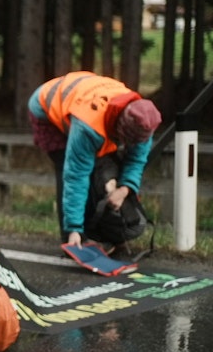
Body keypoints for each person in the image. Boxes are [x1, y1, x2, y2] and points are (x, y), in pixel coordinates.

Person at [28, 71, 162, 252]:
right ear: (119, 129)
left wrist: (124, 190)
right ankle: (73, 237)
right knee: (69, 169)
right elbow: (75, 175)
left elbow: (136, 160)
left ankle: (106, 234)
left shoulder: (144, 120)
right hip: (46, 109)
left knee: (105, 175)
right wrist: (74, 227)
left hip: (82, 98)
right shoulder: (89, 126)